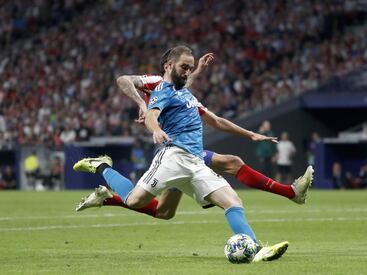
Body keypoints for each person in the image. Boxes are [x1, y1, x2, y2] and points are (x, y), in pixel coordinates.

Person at [74, 45, 314, 262]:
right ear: (169, 66)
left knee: (230, 202)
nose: (188, 72)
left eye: (190, 68)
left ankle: (256, 248)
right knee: (135, 201)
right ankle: (102, 165)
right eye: (184, 67)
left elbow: (216, 120)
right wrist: (152, 122)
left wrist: (250, 134)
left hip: (196, 161)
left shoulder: (187, 95)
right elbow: (149, 112)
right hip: (173, 157)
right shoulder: (161, 88)